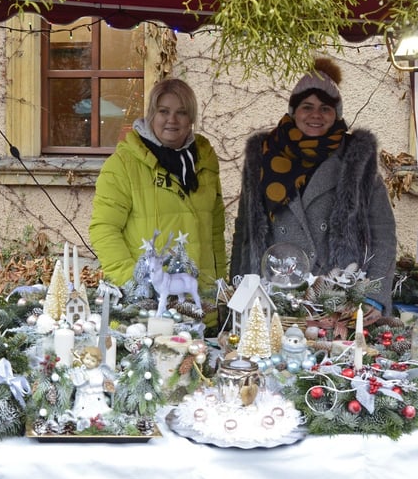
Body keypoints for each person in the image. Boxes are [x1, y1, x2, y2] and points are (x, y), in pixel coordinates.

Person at [230, 58, 396, 313]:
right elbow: (245, 231)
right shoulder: (264, 157)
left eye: (325, 108)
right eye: (307, 106)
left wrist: (373, 296)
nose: (315, 115)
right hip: (270, 296)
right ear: (293, 112)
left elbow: (382, 233)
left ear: (336, 115)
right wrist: (238, 289)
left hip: (338, 297)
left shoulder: (356, 162)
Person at [90, 78, 227, 291]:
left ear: (190, 118)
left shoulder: (205, 162)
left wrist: (219, 289)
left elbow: (215, 232)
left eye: (181, 112)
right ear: (151, 114)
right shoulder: (123, 165)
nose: (172, 120)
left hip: (202, 302)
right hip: (152, 306)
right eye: (164, 111)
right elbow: (104, 230)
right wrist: (134, 283)